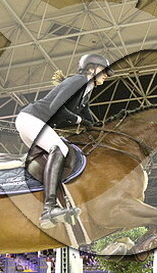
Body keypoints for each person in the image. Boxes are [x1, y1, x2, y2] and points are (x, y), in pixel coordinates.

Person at [15, 53, 114, 229]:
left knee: (53, 160)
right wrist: (78, 120)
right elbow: (55, 108)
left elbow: (88, 118)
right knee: (60, 149)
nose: (106, 75)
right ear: (91, 68)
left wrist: (102, 130)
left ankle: (46, 205)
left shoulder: (86, 89)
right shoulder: (78, 81)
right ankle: (49, 208)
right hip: (32, 119)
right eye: (103, 70)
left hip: (35, 123)